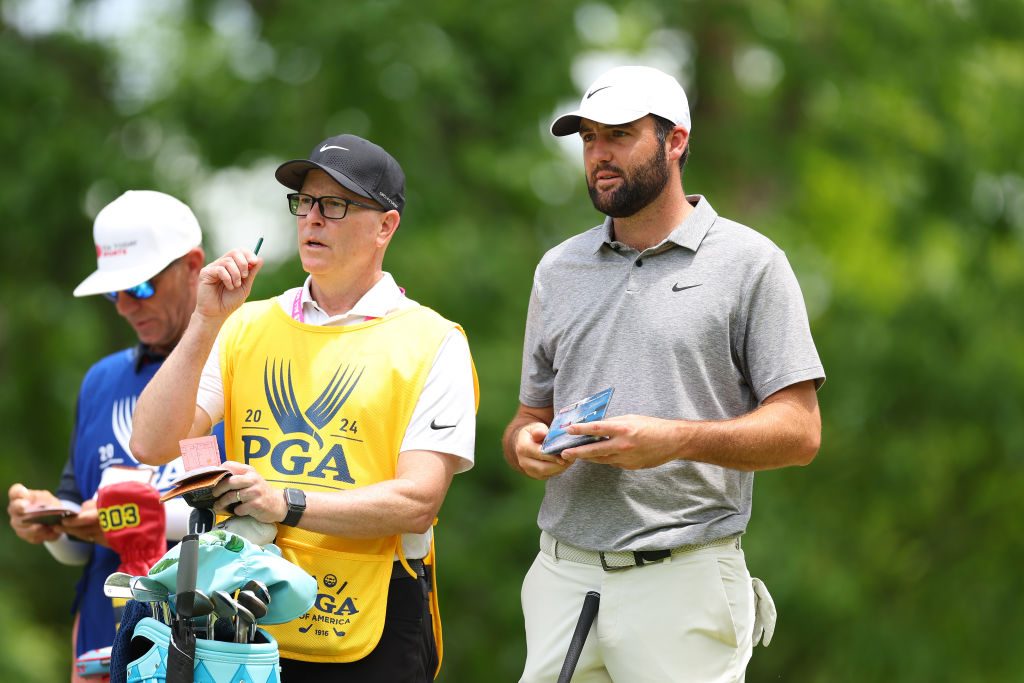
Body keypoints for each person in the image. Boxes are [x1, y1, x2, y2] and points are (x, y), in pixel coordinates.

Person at [502, 65, 826, 682]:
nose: (599, 155)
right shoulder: (559, 268)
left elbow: (800, 432)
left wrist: (674, 439)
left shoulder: (752, 263)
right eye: (589, 138)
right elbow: (528, 416)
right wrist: (526, 445)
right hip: (560, 578)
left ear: (675, 140)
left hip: (684, 577)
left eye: (619, 135)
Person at [130, 133, 478, 682]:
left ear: (385, 226)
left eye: (336, 204)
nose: (313, 218)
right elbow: (150, 443)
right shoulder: (245, 323)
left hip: (374, 619)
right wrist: (204, 321)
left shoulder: (434, 340)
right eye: (305, 202)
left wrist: (282, 502)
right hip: (244, 616)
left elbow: (418, 502)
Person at [6, 190, 213, 681]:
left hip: (205, 647)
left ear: (193, 267)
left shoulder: (231, 368)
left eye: (140, 287)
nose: (124, 306)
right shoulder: (101, 380)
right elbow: (81, 532)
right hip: (102, 644)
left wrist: (128, 516)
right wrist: (50, 522)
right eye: (111, 292)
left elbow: (235, 515)